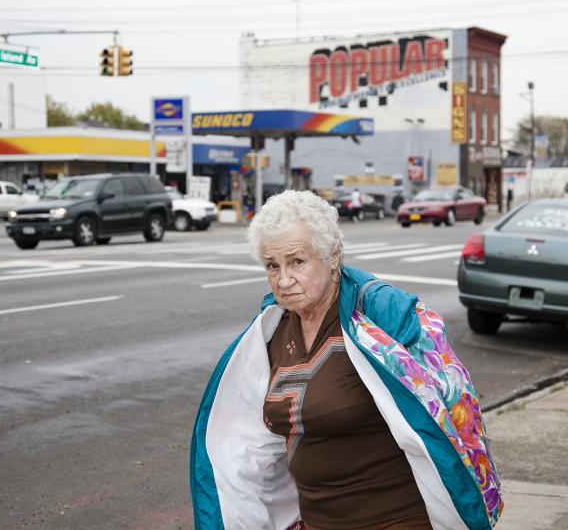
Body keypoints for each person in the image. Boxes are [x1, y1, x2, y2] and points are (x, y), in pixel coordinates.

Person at [190, 190, 503, 530]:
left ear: (333, 254)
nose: (283, 280)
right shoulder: (268, 335)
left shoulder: (380, 316)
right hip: (315, 521)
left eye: (297, 261)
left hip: (398, 519)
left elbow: (451, 402)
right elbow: (243, 443)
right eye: (271, 265)